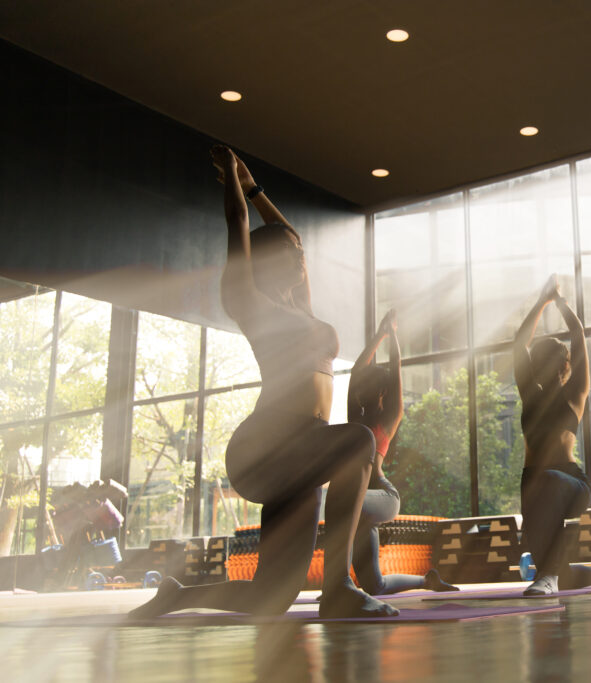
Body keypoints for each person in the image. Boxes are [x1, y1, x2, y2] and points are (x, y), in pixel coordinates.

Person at [131, 146, 398, 618]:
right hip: (268, 446)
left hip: (308, 451)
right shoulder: (250, 302)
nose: (300, 256)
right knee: (358, 440)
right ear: (272, 258)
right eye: (292, 253)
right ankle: (338, 589)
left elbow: (292, 235)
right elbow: (237, 225)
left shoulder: (302, 309)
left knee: (272, 597)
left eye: (300, 252)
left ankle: (178, 596)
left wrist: (258, 190)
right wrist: (235, 181)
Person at [514, 276, 591, 595]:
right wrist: (541, 302)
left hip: (571, 484)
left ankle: (547, 577)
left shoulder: (575, 393)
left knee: (548, 482)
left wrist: (558, 301)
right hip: (534, 481)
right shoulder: (529, 394)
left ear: (564, 366)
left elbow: (578, 335)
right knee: (555, 570)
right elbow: (518, 343)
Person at [347, 310, 457, 595]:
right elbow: (357, 370)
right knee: (375, 586)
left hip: (383, 496)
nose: (361, 392)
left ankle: (338, 581)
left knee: (348, 503)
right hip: (358, 504)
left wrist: (392, 335)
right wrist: (380, 334)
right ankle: (427, 581)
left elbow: (396, 370)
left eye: (369, 387)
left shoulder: (389, 418)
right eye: (362, 388)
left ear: (382, 392)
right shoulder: (354, 419)